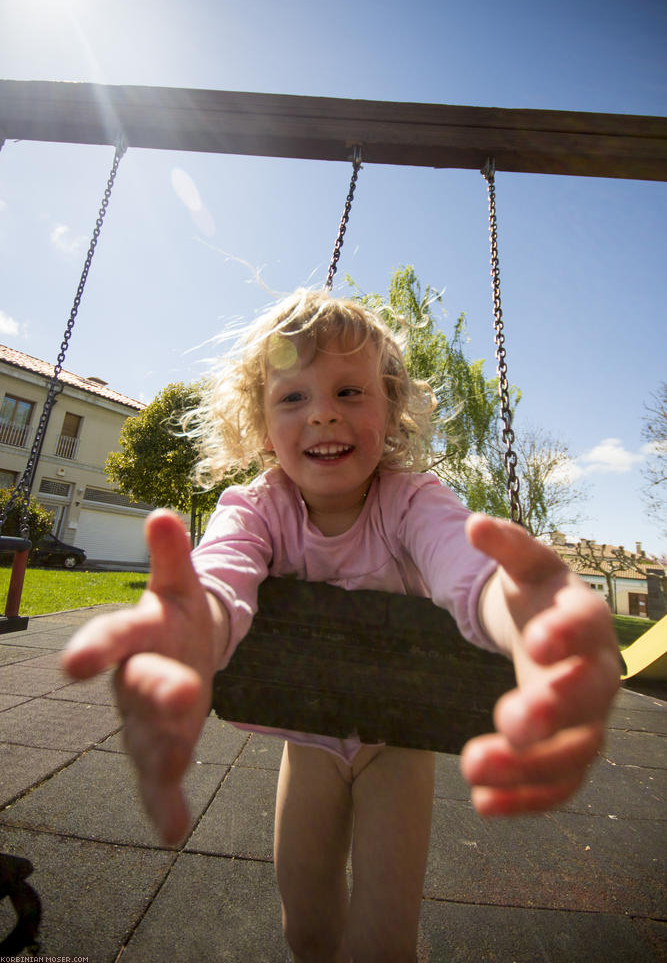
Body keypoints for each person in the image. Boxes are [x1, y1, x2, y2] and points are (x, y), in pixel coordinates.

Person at [61, 290, 620, 963]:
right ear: (262, 428)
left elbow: (464, 568)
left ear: (389, 411)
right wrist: (191, 626)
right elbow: (222, 574)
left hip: (398, 745)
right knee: (308, 930)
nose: (323, 411)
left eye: (349, 391)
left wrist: (523, 613)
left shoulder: (411, 501)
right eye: (292, 397)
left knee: (383, 944)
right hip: (310, 746)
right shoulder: (257, 507)